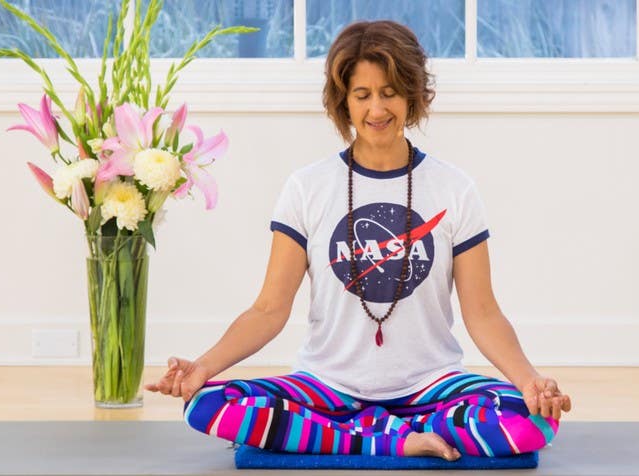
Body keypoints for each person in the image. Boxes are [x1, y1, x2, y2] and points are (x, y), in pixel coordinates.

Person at [146, 20, 571, 461]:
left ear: (412, 94)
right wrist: (203, 367)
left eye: (389, 92)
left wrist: (530, 381)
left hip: (431, 386)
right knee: (206, 404)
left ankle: (349, 437)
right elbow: (269, 309)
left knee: (534, 420)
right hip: (327, 386)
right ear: (343, 101)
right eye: (362, 94)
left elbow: (482, 313)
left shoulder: (454, 188)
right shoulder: (307, 187)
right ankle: (395, 441)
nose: (377, 109)